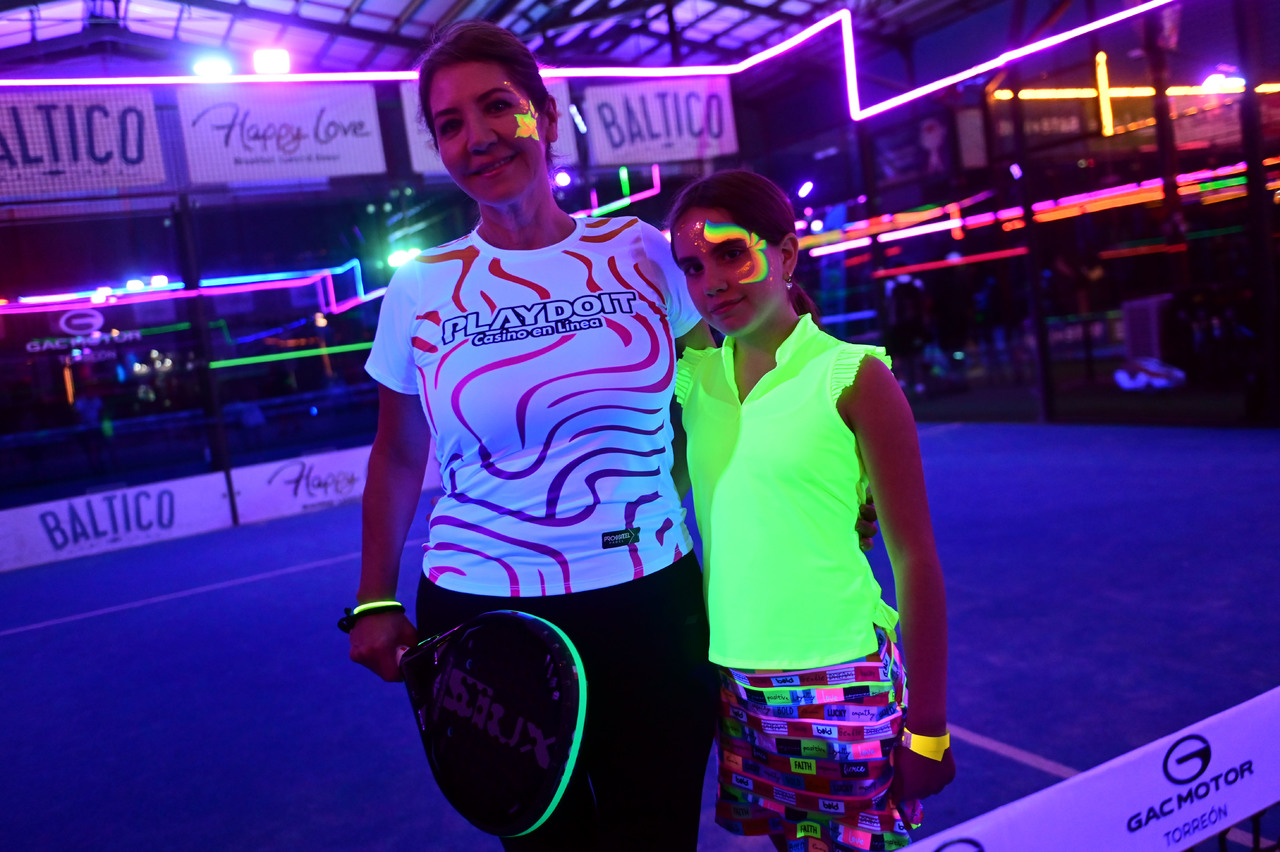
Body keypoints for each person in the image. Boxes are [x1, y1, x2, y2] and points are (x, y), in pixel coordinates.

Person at [346, 19, 720, 852]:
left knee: (657, 838)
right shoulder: (421, 287)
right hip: (485, 615)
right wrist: (375, 596)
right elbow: (399, 452)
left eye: (498, 107)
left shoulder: (640, 251)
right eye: (450, 124)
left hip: (649, 600)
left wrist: (826, 475)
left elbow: (716, 401)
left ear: (547, 117)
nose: (478, 137)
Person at [666, 170, 955, 852]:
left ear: (786, 253)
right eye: (693, 267)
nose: (712, 281)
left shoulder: (853, 376)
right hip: (736, 685)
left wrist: (929, 727)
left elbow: (915, 559)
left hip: (840, 680)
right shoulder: (692, 381)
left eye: (731, 253)